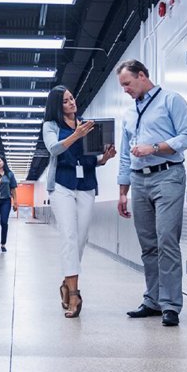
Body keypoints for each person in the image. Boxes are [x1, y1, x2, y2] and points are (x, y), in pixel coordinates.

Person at [116, 59, 187, 327]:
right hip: (139, 181)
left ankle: (171, 305)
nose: (125, 89)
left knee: (166, 241)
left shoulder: (171, 101)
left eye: (127, 84)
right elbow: (126, 157)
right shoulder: (129, 114)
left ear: (142, 76)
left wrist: (156, 147)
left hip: (168, 176)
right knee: (148, 245)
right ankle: (152, 300)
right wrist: (123, 191)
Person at [43, 85, 116, 318]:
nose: (71, 103)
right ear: (57, 106)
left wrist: (103, 158)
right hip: (62, 185)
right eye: (65, 101)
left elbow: (90, 157)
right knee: (69, 235)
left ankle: (66, 283)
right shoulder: (51, 126)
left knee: (81, 237)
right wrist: (77, 135)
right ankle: (74, 294)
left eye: (72, 98)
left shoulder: (87, 124)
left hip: (85, 185)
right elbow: (53, 149)